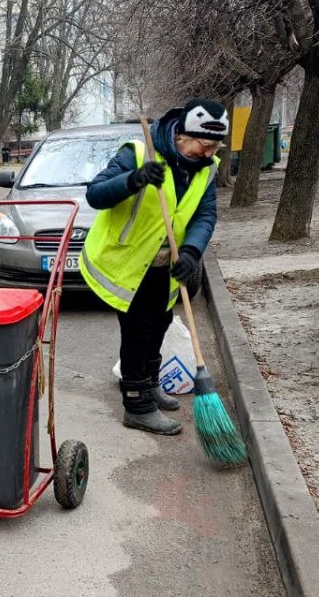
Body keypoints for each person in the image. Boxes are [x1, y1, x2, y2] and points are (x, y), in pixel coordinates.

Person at [78, 99, 228, 435]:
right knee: (139, 328)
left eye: (215, 146)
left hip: (164, 261)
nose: (208, 153)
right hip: (125, 260)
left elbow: (205, 215)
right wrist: (135, 179)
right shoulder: (138, 153)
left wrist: (191, 251)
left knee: (160, 321)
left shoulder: (207, 169)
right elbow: (96, 194)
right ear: (180, 136)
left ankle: (150, 384)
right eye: (203, 145)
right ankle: (137, 404)